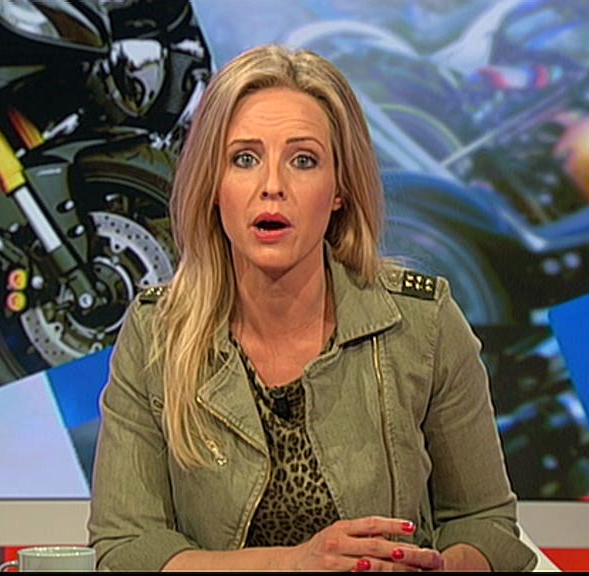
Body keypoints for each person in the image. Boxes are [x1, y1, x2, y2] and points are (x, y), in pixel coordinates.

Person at [88, 44, 536, 572]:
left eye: (303, 160)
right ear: (213, 185)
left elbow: (486, 525)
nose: (272, 187)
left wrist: (430, 568)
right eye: (244, 159)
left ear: (340, 188)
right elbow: (128, 546)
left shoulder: (423, 322)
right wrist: (294, 565)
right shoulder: (156, 335)